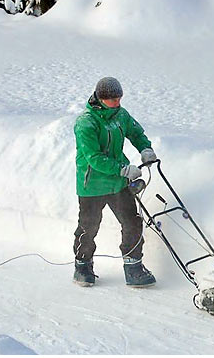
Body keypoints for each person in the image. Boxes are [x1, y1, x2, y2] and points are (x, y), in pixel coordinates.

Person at [72, 77, 157, 288]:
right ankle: (83, 266)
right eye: (113, 100)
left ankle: (134, 268)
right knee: (89, 226)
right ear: (101, 99)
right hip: (93, 185)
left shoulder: (120, 114)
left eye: (119, 98)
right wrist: (123, 169)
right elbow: (94, 157)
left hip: (118, 183)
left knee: (132, 222)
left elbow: (135, 132)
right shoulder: (86, 123)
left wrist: (145, 148)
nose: (117, 103)